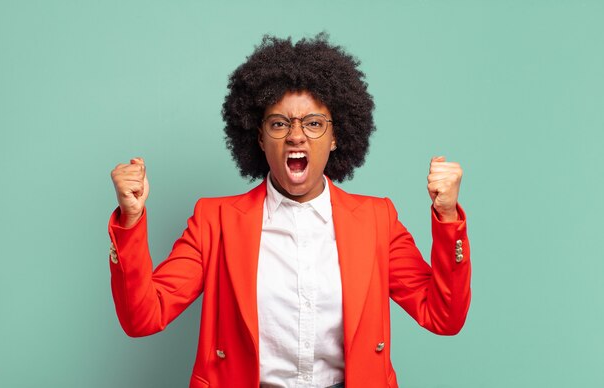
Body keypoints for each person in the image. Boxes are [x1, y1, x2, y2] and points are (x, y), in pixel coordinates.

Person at [108, 34, 471, 388]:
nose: (296, 136)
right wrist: (131, 219)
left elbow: (443, 316)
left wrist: (448, 217)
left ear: (335, 137)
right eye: (279, 123)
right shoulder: (214, 221)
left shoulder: (377, 220)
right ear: (259, 137)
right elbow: (144, 316)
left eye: (314, 123)